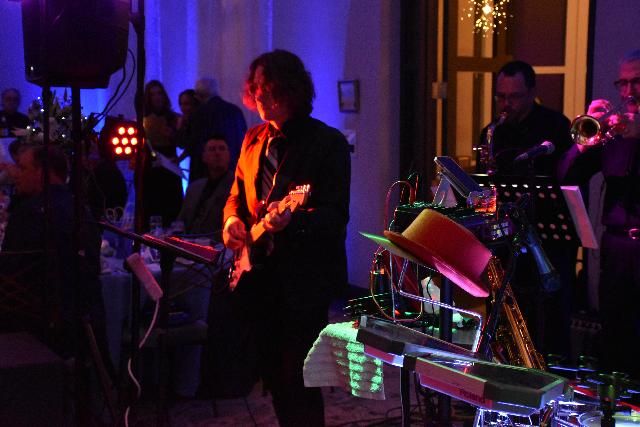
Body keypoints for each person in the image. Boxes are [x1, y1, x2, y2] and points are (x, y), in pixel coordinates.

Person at [214, 50, 350, 426]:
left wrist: (294, 220)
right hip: (258, 276)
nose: (258, 94)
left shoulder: (327, 143)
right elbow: (235, 195)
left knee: (300, 378)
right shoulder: (252, 138)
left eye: (266, 86)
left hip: (303, 280)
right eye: (255, 86)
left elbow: (335, 216)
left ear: (289, 89)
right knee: (273, 375)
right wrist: (231, 222)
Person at [475, 60, 576, 361]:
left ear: (532, 92)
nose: (506, 104)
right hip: (508, 239)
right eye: (501, 97)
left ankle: (552, 370)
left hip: (548, 239)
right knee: (508, 310)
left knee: (552, 315)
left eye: (515, 97)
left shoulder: (556, 126)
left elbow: (568, 179)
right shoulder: (493, 132)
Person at [559, 49, 640, 379]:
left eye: (637, 82)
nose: (629, 92)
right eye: (623, 83)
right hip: (617, 250)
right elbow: (567, 176)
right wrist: (584, 143)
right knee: (615, 340)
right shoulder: (613, 134)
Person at [0, 145, 104, 357]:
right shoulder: (81, 211)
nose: (16, 174)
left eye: (22, 168)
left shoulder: (29, 214)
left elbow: (10, 273)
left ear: (43, 172)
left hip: (31, 324)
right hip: (83, 322)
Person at [187, 77, 247, 182]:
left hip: (205, 172)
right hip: (234, 168)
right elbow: (244, 140)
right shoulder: (235, 111)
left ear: (199, 96)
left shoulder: (198, 113)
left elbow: (193, 144)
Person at [142, 80, 184, 229]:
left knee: (171, 209)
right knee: (152, 208)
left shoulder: (175, 118)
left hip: (169, 166)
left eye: (159, 93)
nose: (156, 97)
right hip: (150, 168)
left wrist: (174, 135)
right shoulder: (143, 120)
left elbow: (185, 143)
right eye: (152, 94)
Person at [176, 136, 233, 236]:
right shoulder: (193, 188)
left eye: (222, 148)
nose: (217, 153)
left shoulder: (236, 188)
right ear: (204, 157)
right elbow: (180, 222)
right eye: (212, 149)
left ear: (229, 155)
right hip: (187, 241)